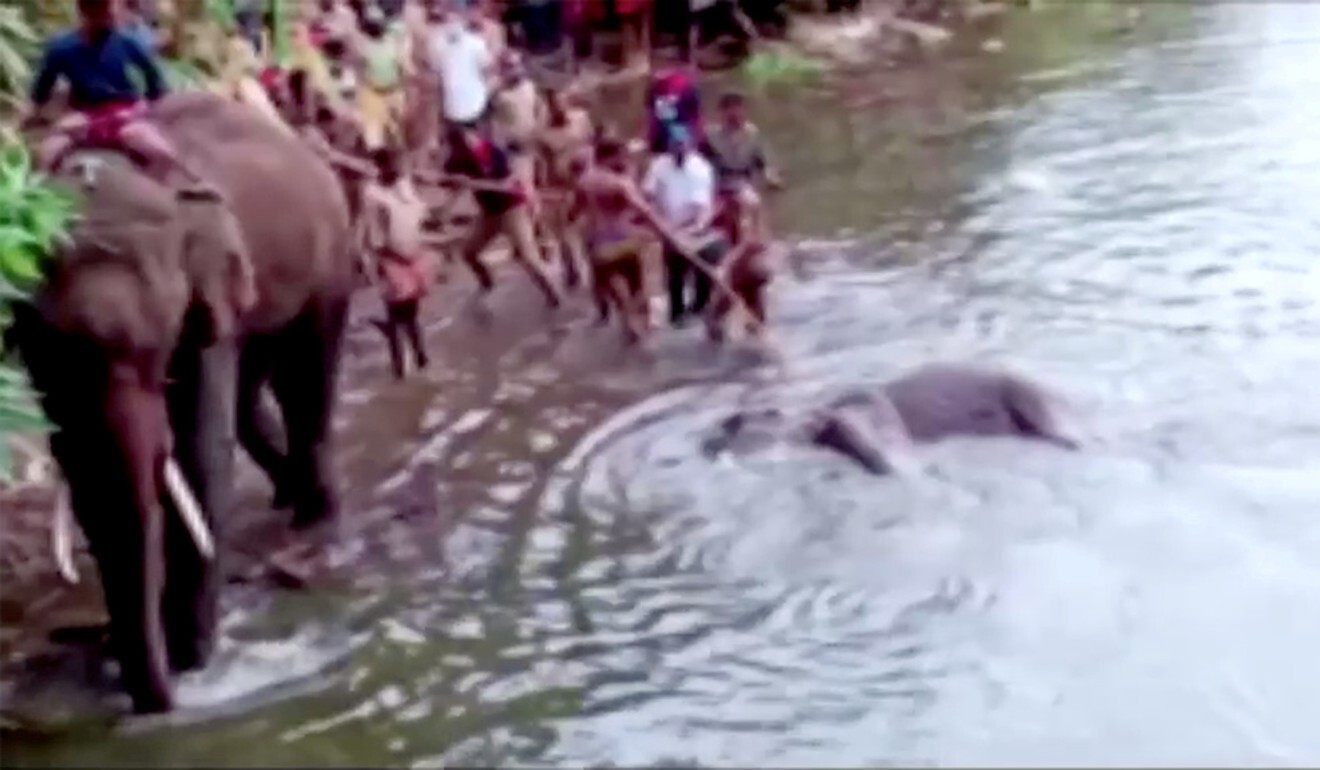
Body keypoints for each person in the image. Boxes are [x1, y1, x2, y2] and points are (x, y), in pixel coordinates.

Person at [27, 0, 217, 199]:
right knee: (46, 153)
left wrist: (142, 107)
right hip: (84, 116)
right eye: (100, 14)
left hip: (123, 114)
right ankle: (34, 198)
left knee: (161, 152)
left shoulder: (128, 41)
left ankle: (167, 192)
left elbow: (156, 84)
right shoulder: (63, 46)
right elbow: (41, 90)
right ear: (84, 13)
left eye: (109, 12)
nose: (109, 18)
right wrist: (37, 117)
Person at [572, 138, 697, 344]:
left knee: (623, 305)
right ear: (610, 157)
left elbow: (573, 212)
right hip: (626, 244)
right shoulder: (619, 183)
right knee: (639, 295)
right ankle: (645, 344)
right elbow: (646, 212)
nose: (625, 160)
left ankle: (628, 335)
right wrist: (669, 234)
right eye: (622, 156)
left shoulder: (584, 181)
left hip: (599, 248)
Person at [440, 122, 561, 307]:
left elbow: (508, 179)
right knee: (468, 253)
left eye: (463, 140)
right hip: (489, 213)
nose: (461, 146)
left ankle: (553, 295)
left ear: (473, 135)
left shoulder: (490, 150)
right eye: (455, 143)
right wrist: (450, 185)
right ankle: (487, 284)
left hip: (512, 209)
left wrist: (474, 182)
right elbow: (447, 182)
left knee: (528, 257)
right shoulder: (457, 158)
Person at [363, 147, 442, 379]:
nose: (401, 168)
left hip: (413, 257)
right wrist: (377, 261)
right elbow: (375, 236)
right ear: (382, 167)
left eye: (401, 163)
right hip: (393, 259)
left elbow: (423, 216)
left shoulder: (405, 186)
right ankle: (400, 371)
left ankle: (421, 359)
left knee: (410, 315)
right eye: (396, 164)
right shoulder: (372, 194)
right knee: (397, 317)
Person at [642, 125, 719, 327]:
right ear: (669, 147)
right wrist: (661, 225)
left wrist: (692, 230)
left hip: (697, 224)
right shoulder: (658, 166)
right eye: (675, 146)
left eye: (682, 145)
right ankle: (676, 313)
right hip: (667, 224)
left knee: (704, 271)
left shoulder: (701, 168)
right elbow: (648, 196)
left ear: (690, 145)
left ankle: (700, 306)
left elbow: (701, 208)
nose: (679, 149)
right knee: (675, 273)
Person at [538, 85, 594, 288]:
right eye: (554, 106)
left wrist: (590, 169)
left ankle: (592, 265)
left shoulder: (581, 119)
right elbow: (544, 164)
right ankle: (571, 269)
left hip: (584, 181)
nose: (558, 109)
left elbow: (591, 145)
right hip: (560, 187)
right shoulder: (543, 133)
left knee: (588, 227)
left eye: (561, 103)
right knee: (563, 231)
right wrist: (545, 191)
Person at [704, 178, 773, 342]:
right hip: (758, 263)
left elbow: (746, 241)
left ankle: (719, 352)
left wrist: (725, 265)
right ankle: (758, 343)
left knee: (714, 316)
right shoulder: (747, 202)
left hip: (747, 266)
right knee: (754, 309)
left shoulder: (741, 207)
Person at [706, 89, 782, 200]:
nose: (735, 113)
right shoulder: (711, 136)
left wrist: (769, 175)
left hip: (745, 183)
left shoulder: (752, 134)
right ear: (721, 113)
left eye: (738, 107)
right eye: (729, 108)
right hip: (719, 185)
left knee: (752, 201)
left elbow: (762, 161)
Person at [435, 4, 495, 130]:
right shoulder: (477, 43)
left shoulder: (437, 44)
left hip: (452, 109)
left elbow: (437, 75)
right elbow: (488, 70)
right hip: (475, 106)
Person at [357, 9, 409, 150]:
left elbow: (361, 70)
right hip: (386, 91)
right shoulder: (386, 44)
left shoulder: (366, 47)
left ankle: (391, 150)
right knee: (389, 131)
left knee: (390, 130)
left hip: (384, 91)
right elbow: (401, 68)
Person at [645, 56, 703, 154]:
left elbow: (650, 117)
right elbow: (696, 117)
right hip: (680, 137)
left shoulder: (655, 88)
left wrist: (649, 138)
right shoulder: (687, 87)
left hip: (665, 137)